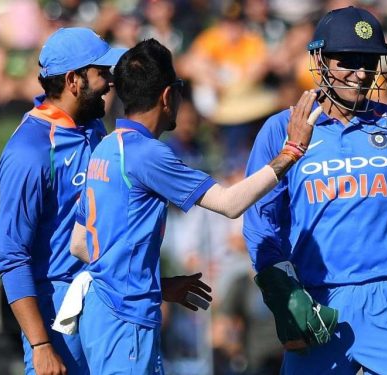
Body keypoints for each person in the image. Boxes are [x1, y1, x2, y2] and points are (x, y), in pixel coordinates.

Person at [64, 38, 321, 374]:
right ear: (168, 96)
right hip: (127, 318)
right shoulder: (148, 154)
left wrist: (155, 285)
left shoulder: (106, 147)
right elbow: (230, 204)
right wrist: (291, 152)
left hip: (102, 313)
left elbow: (81, 244)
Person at [243, 6, 387, 374]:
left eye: (369, 61)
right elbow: (260, 216)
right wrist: (280, 286)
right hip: (316, 299)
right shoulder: (282, 129)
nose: (360, 73)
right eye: (348, 61)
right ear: (319, 59)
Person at [0, 27, 126, 375]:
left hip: (105, 302)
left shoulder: (94, 127)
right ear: (73, 81)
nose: (110, 82)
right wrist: (40, 345)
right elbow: (10, 255)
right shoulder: (30, 150)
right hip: (57, 315)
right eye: (102, 73)